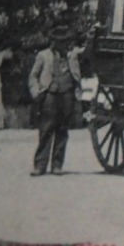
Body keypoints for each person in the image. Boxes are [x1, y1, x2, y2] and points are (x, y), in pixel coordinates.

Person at [28, 25, 82, 176]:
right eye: (60, 41)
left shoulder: (72, 56)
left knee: (63, 130)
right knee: (46, 130)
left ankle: (57, 165)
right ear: (53, 42)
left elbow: (86, 51)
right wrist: (35, 91)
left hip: (67, 96)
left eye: (65, 41)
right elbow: (33, 76)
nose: (63, 44)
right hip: (50, 96)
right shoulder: (43, 55)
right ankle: (40, 165)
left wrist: (92, 34)